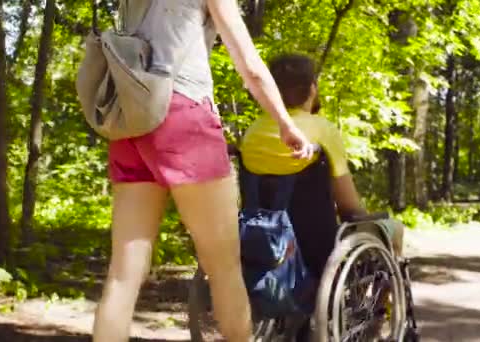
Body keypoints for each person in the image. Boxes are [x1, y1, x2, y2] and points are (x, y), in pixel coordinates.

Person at [91, 2, 315, 342]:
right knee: (225, 268)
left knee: (123, 274)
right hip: (184, 114)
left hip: (132, 115)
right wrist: (286, 123)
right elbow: (249, 65)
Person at [239, 53, 404, 259]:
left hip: (259, 247)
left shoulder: (252, 132)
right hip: (317, 250)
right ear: (312, 89)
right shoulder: (323, 129)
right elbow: (349, 207)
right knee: (394, 229)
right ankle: (387, 290)